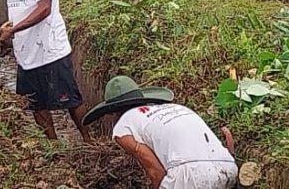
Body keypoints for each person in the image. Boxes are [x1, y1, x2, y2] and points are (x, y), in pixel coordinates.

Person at [0, 0, 92, 142]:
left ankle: (89, 141)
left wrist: (14, 30)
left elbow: (44, 8)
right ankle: (53, 146)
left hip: (50, 49)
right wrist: (8, 31)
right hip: (26, 51)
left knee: (70, 98)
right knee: (35, 103)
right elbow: (19, 11)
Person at [83, 76, 238, 189]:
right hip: (229, 168)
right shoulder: (178, 108)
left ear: (112, 112)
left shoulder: (122, 128)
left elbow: (155, 170)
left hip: (190, 178)